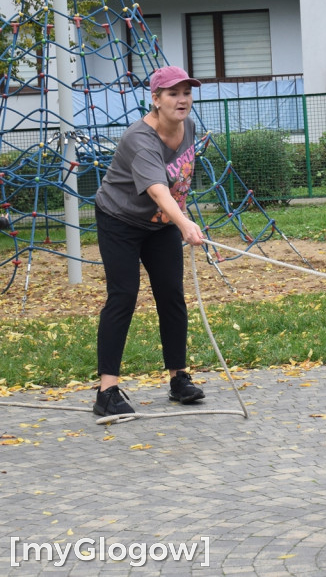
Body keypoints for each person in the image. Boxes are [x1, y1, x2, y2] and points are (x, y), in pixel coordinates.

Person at [92, 65, 207, 417]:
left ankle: (179, 380)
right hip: (120, 220)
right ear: (156, 100)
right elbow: (158, 189)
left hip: (160, 224)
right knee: (123, 295)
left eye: (186, 92)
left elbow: (179, 180)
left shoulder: (187, 127)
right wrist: (185, 223)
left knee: (171, 294)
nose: (182, 99)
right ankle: (106, 392)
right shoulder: (139, 138)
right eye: (173, 93)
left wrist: (179, 220)